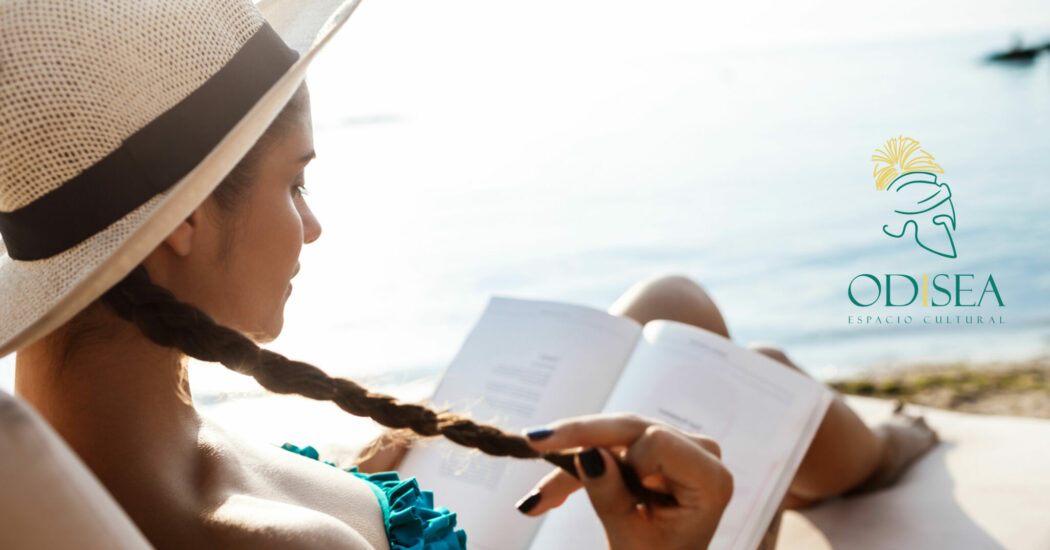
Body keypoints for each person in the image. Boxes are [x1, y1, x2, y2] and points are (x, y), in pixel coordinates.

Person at [0, 1, 936, 549]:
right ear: (185, 221)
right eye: (298, 182)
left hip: (433, 494)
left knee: (672, 313)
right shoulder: (278, 538)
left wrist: (359, 461)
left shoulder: (79, 437)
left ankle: (876, 450)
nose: (313, 227)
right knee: (733, 379)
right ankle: (888, 451)